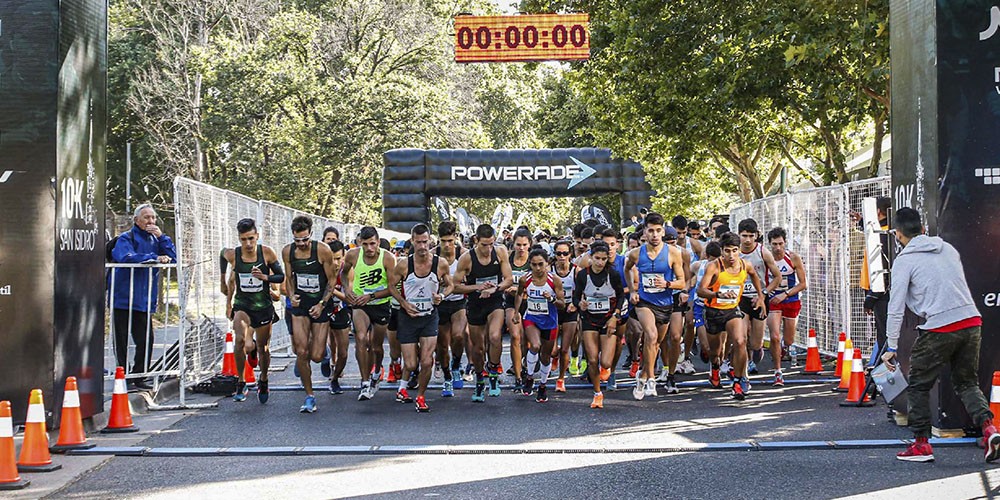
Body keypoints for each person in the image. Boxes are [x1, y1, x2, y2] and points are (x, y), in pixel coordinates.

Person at [881, 208, 1000, 463]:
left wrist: (891, 346)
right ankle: (989, 429)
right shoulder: (947, 249)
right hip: (971, 321)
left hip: (939, 326)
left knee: (918, 384)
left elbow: (895, 306)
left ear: (898, 234)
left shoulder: (904, 261)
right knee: (967, 383)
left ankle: (921, 445)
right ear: (923, 228)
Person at [110, 204, 177, 390]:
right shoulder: (126, 238)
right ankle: (122, 376)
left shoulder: (156, 239)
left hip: (144, 300)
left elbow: (173, 257)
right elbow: (126, 257)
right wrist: (153, 258)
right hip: (123, 298)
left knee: (145, 340)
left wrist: (162, 237)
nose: (151, 221)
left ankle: (140, 376)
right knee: (121, 340)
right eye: (146, 217)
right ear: (136, 220)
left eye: (153, 217)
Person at [387, 224, 453, 412]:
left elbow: (450, 285)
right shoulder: (403, 264)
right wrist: (403, 303)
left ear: (430, 240)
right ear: (412, 241)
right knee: (410, 364)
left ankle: (421, 397)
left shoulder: (440, 263)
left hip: (429, 317)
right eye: (418, 242)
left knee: (426, 361)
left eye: (425, 242)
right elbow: (391, 286)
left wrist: (442, 296)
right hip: (408, 318)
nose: (422, 246)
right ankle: (402, 389)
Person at [624, 212, 686, 400]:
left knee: (655, 343)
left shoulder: (673, 253)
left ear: (663, 231)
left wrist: (667, 284)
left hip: (665, 304)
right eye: (651, 231)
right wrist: (633, 291)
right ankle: (651, 379)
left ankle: (642, 375)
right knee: (650, 336)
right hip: (644, 302)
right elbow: (627, 269)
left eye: (658, 230)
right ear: (644, 232)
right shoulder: (636, 253)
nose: (655, 235)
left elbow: (682, 282)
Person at [282, 216, 340, 413]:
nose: (302, 244)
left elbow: (332, 280)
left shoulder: (322, 250)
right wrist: (291, 295)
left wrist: (322, 304)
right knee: (301, 351)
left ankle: (325, 353)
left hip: (320, 303)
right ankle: (309, 396)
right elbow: (289, 278)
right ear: (293, 237)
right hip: (301, 305)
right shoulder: (288, 251)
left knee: (316, 355)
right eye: (298, 240)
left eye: (305, 239)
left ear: (311, 235)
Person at [697, 232, 765, 400]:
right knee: (715, 351)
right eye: (727, 251)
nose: (731, 255)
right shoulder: (714, 267)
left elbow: (755, 276)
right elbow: (701, 290)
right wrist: (717, 294)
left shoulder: (745, 265)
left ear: (739, 250)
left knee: (740, 341)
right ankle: (715, 367)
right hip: (713, 311)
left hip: (732, 310)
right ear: (721, 251)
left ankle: (738, 381)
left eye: (735, 250)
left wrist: (761, 296)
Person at [223, 218, 283, 403]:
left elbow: (280, 277)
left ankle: (263, 379)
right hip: (243, 305)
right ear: (239, 238)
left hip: (263, 307)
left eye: (251, 238)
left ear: (257, 236)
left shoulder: (267, 253)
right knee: (240, 341)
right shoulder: (233, 254)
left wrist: (264, 277)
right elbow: (222, 254)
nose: (248, 243)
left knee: (263, 347)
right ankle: (241, 381)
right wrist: (222, 281)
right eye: (243, 239)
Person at [452, 224, 514, 401]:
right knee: (478, 349)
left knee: (495, 336)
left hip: (494, 301)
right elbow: (454, 286)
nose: (488, 249)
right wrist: (477, 287)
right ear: (476, 241)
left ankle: (493, 374)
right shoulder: (466, 258)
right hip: (475, 304)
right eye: (484, 245)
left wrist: (496, 288)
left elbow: (509, 279)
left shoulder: (500, 252)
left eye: (491, 244)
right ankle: (480, 379)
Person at [343, 226, 397, 401]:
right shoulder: (352, 255)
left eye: (372, 244)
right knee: (360, 338)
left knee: (376, 347)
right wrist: (347, 290)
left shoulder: (388, 258)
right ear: (360, 243)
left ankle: (377, 370)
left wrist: (372, 296)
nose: (369, 248)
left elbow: (392, 288)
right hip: (360, 304)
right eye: (365, 244)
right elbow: (343, 274)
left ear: (378, 242)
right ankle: (365, 382)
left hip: (380, 304)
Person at [574, 241, 625, 409]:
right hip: (589, 319)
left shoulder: (613, 274)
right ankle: (597, 394)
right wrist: (580, 304)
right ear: (591, 257)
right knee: (592, 359)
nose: (600, 262)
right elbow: (575, 296)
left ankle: (607, 369)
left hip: (608, 319)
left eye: (604, 259)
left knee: (606, 362)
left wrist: (615, 316)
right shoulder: (583, 275)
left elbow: (621, 296)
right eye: (597, 258)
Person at [513, 248, 565, 403]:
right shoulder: (525, 279)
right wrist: (516, 312)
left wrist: (551, 299)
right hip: (532, 317)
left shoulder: (554, 280)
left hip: (549, 320)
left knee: (545, 356)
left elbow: (562, 304)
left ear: (547, 263)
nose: (537, 268)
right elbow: (519, 294)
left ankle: (542, 385)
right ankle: (529, 377)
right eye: (534, 265)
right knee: (535, 345)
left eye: (540, 264)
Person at [736, 219, 782, 378]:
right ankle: (742, 374)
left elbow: (777, 277)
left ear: (756, 235)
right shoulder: (734, 252)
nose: (747, 240)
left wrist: (763, 293)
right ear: (739, 235)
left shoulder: (763, 252)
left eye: (751, 236)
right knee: (741, 338)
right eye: (744, 236)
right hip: (740, 299)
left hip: (760, 299)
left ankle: (757, 350)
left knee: (755, 342)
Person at [764, 227, 806, 387]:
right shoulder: (766, 259)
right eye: (774, 244)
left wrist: (786, 294)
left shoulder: (793, 258)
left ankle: (784, 347)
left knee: (789, 339)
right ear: (769, 244)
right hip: (773, 300)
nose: (778, 248)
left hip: (790, 299)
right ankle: (778, 372)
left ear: (785, 242)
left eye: (780, 244)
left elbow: (803, 284)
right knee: (774, 336)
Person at [854, 196, 892, 360]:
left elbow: (882, 268)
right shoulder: (881, 230)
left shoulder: (882, 234)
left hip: (880, 291)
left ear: (877, 211)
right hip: (875, 288)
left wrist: (872, 296)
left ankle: (884, 365)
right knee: (881, 331)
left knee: (884, 332)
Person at [435, 221, 468, 397]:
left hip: (458, 303)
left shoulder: (464, 255)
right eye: (443, 241)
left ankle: (456, 365)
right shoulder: (433, 255)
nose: (447, 245)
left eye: (450, 240)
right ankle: (447, 376)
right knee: (442, 344)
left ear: (455, 237)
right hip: (439, 304)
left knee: (458, 336)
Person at [504, 229, 532, 391]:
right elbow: (502, 281)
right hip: (511, 303)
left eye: (524, 245)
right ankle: (518, 376)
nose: (521, 248)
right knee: (515, 336)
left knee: (527, 341)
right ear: (513, 244)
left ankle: (525, 365)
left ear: (529, 245)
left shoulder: (534, 261)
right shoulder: (507, 260)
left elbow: (540, 283)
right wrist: (509, 288)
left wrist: (518, 289)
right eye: (518, 244)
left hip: (530, 303)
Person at [552, 240, 578, 393]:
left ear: (570, 254)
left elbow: (582, 290)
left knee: (564, 349)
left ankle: (561, 379)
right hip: (554, 310)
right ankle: (554, 356)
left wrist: (575, 303)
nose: (562, 256)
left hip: (569, 310)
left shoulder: (576, 270)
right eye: (559, 253)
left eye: (565, 253)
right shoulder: (549, 269)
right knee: (552, 350)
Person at [325, 240, 350, 395]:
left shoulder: (346, 271)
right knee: (317, 347)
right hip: (323, 309)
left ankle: (334, 379)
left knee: (343, 352)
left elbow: (349, 298)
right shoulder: (321, 268)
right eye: (332, 259)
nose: (335, 263)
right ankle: (325, 358)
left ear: (343, 257)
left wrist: (332, 290)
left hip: (340, 310)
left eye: (338, 258)